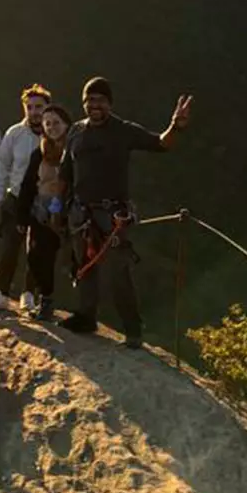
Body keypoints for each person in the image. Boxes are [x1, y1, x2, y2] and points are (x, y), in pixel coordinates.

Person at [59, 76, 192, 348]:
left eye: (100, 100)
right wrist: (60, 207)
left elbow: (160, 143)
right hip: (80, 212)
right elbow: (66, 172)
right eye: (89, 100)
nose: (94, 105)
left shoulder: (123, 130)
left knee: (117, 271)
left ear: (110, 103)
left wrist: (175, 127)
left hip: (112, 214)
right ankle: (86, 317)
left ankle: (133, 330)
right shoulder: (75, 131)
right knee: (84, 268)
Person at [0, 85, 52, 313]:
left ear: (47, 108)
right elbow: (3, 165)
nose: (34, 111)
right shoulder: (14, 133)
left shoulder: (55, 134)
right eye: (30, 107)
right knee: (9, 247)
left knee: (37, 248)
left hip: (43, 199)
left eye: (39, 107)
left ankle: (29, 294)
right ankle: (1, 292)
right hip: (16, 197)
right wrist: (1, 197)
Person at [13, 103, 75, 317]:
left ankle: (83, 310)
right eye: (47, 123)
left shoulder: (76, 149)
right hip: (42, 209)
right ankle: (46, 298)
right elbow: (29, 184)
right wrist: (22, 214)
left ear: (66, 124)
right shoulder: (39, 153)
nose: (51, 127)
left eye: (56, 122)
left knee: (72, 259)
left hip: (70, 210)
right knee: (37, 257)